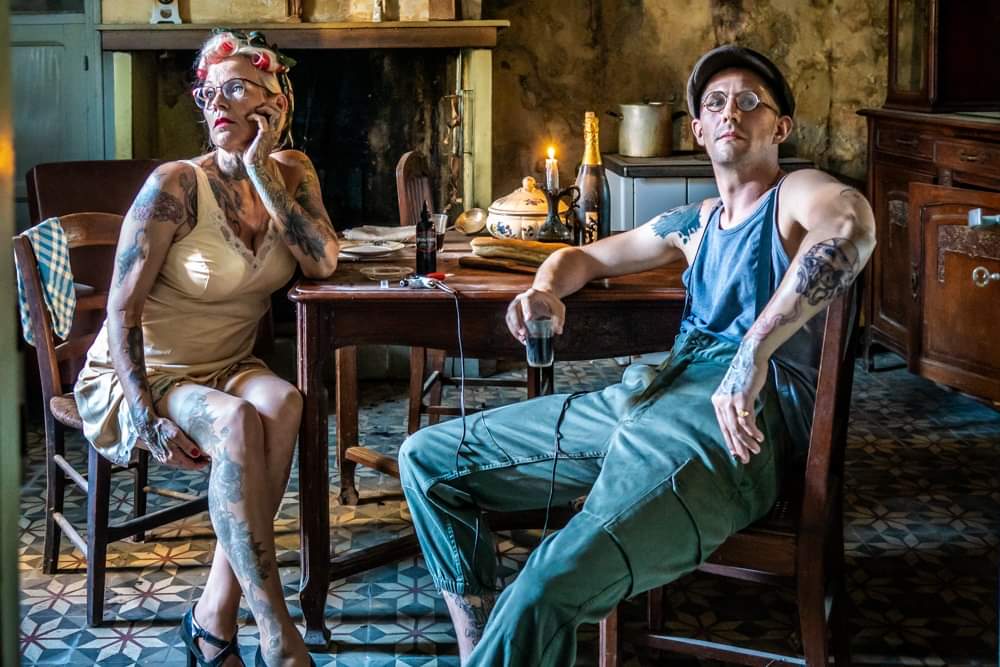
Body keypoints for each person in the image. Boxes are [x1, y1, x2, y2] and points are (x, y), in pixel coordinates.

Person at [398, 44, 876, 666]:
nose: (730, 111)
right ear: (699, 129)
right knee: (426, 460)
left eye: (749, 101)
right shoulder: (696, 223)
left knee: (544, 586)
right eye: (715, 102)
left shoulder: (792, 196)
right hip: (650, 396)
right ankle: (479, 648)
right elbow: (583, 257)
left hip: (731, 428)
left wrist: (753, 351)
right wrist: (544, 290)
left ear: (779, 127)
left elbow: (850, 225)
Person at [74, 29, 339, 667]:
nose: (216, 103)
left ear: (276, 103)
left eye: (236, 88)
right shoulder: (175, 185)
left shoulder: (293, 172)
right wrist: (144, 412)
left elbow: (323, 261)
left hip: (227, 366)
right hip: (145, 375)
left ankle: (212, 619)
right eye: (208, 92)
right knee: (238, 422)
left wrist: (261, 170)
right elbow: (120, 309)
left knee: (285, 403)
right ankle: (277, 635)